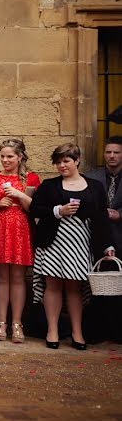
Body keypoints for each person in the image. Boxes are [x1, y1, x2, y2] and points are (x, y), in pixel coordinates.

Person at [30, 143, 115, 350]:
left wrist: (107, 246)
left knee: (75, 287)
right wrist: (59, 210)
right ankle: (53, 331)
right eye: (58, 162)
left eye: (66, 161)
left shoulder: (95, 186)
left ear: (76, 161)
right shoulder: (49, 185)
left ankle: (77, 332)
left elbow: (101, 218)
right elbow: (35, 208)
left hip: (80, 240)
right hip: (53, 241)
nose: (61, 165)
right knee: (53, 285)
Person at [0, 138, 39, 343]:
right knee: (1, 278)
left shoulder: (31, 178)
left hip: (20, 228)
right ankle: (1, 322)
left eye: (9, 156)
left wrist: (19, 194)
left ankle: (17, 323)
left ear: (19, 157)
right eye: (2, 156)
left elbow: (34, 208)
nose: (5, 160)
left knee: (18, 277)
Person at [83, 136, 122, 342]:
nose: (112, 156)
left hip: (120, 236)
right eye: (108, 152)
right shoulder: (93, 176)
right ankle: (98, 331)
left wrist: (119, 214)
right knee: (98, 286)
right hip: (97, 239)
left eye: (116, 152)